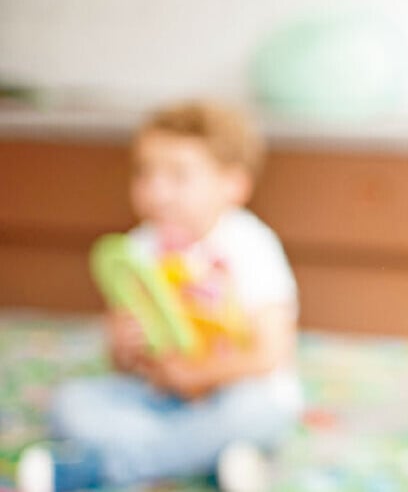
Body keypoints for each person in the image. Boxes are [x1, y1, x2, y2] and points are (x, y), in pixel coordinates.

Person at [17, 101, 301, 492]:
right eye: (144, 172)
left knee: (261, 412)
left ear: (233, 184)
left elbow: (270, 354)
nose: (157, 192)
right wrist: (124, 347)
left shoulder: (250, 245)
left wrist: (198, 374)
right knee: (71, 405)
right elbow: (123, 363)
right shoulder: (139, 249)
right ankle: (213, 456)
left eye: (178, 176)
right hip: (161, 397)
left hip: (235, 392)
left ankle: (95, 469)